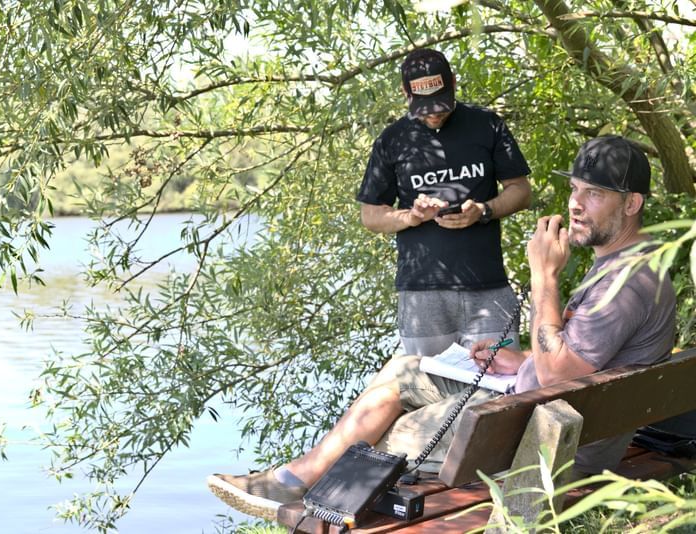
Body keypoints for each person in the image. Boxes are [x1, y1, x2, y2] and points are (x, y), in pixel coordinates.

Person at [207, 136, 676, 522]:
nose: (575, 204)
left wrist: (543, 277)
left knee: (385, 433)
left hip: (548, 443)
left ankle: (296, 489)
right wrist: (525, 360)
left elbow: (558, 377)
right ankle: (293, 478)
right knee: (406, 369)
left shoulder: (629, 283)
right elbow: (576, 361)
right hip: (544, 409)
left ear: (631, 203)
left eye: (594, 194)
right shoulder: (629, 264)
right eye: (574, 189)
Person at [356, 48, 532, 357]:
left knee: (502, 380)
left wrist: (484, 210)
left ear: (453, 82)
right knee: (426, 382)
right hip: (421, 295)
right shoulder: (392, 140)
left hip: (488, 287)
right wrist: (411, 216)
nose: (434, 114)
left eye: (441, 104)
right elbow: (370, 215)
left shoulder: (487, 124)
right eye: (425, 108)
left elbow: (521, 190)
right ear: (406, 93)